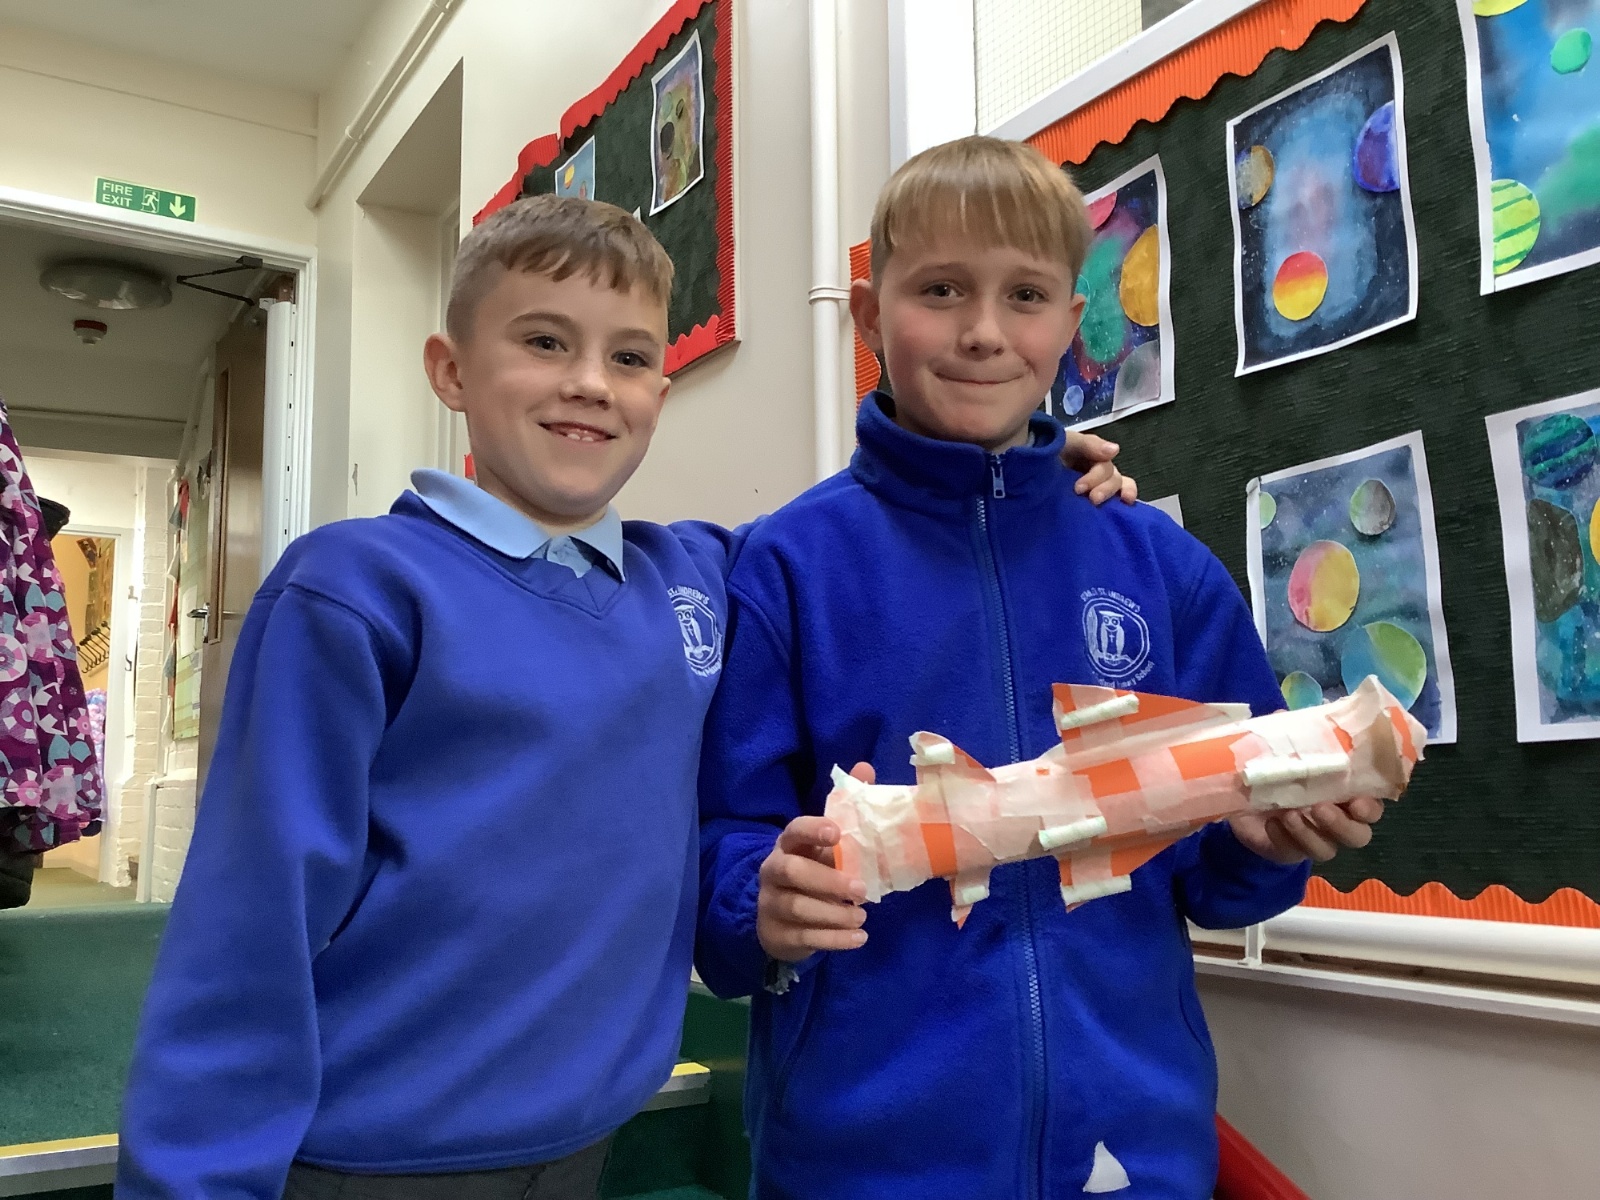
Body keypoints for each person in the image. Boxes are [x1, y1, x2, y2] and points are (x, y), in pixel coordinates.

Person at [117, 193, 1134, 1200]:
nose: (590, 384)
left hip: (587, 1143)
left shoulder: (693, 576)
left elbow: (852, 536)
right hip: (370, 1159)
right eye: (545, 342)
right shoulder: (357, 589)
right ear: (451, 370)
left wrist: (1019, 474)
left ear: (660, 388)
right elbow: (249, 918)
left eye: (631, 357)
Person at [694, 137, 1385, 1199]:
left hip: (1127, 1158)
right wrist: (760, 901)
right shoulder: (787, 569)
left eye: (1024, 296)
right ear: (870, 316)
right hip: (864, 1164)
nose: (982, 330)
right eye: (940, 290)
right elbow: (723, 849)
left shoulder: (1161, 571)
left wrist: (1270, 846)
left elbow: (1221, 880)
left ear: (1070, 322)